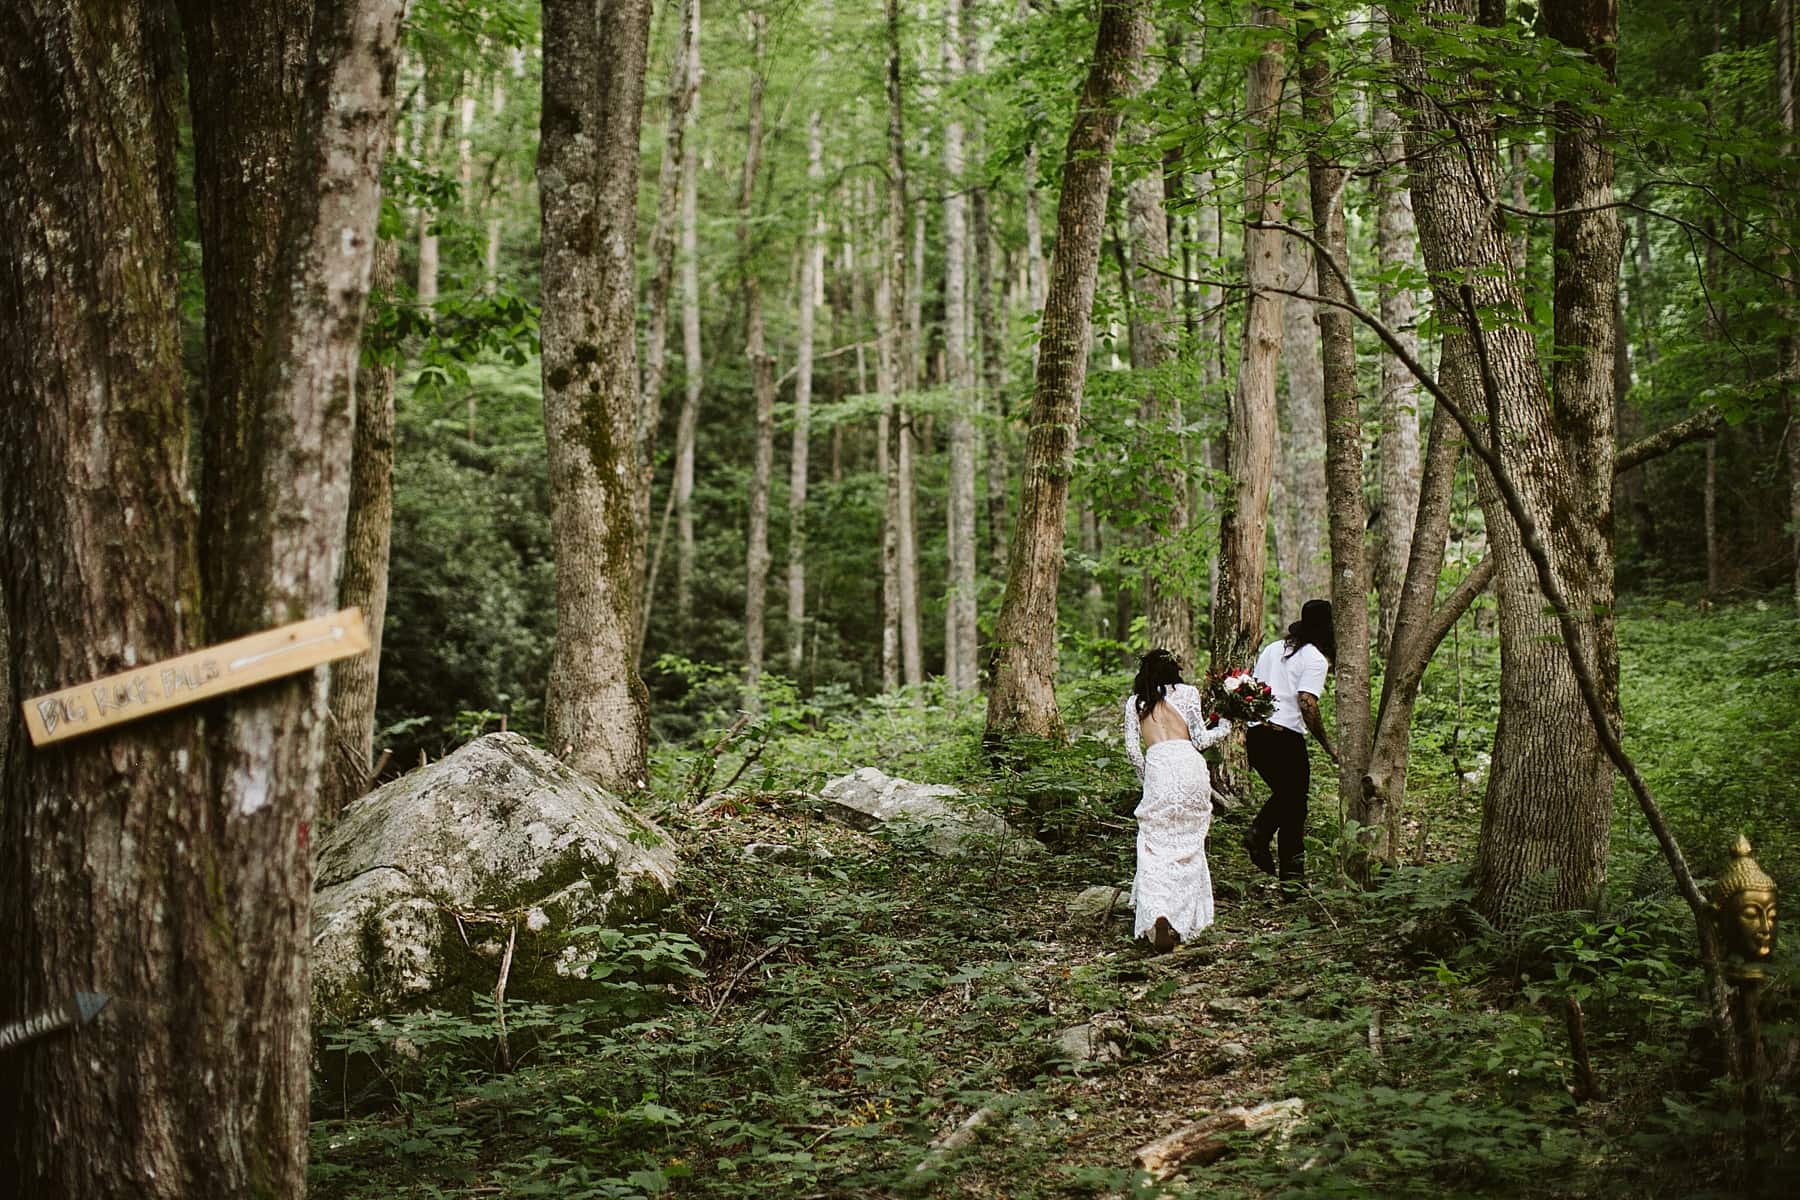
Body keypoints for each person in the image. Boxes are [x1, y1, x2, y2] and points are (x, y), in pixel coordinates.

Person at [1123, 649, 1234, 953]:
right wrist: (1225, 726)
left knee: (1154, 844)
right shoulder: (1188, 694)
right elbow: (1199, 739)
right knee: (1189, 844)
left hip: (1159, 767)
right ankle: (1182, 918)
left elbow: (1132, 750)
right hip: (1189, 767)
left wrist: (1147, 777)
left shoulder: (1135, 703)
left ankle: (1158, 911)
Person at [1241, 599, 1338, 887]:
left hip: (1256, 735)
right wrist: (1328, 744)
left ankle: (1291, 881)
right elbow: (1307, 703)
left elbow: (1252, 690)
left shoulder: (1274, 648)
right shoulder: (1315, 659)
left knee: (1290, 803)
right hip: (1284, 738)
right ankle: (1260, 835)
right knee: (1294, 803)